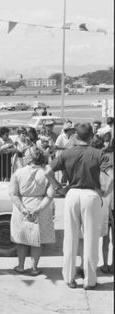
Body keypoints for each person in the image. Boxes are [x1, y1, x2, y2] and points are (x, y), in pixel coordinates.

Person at [45, 123, 113, 290]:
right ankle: (90, 280)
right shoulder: (99, 154)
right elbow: (112, 177)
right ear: (91, 136)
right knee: (91, 238)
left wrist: (57, 186)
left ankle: (69, 278)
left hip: (72, 194)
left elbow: (47, 171)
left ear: (76, 136)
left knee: (70, 238)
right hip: (91, 195)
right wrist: (105, 192)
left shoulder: (66, 153)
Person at [9, 147, 55, 276]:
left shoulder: (18, 172)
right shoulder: (47, 172)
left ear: (28, 158)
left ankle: (20, 266)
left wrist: (23, 209)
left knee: (22, 239)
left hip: (22, 207)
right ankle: (34, 268)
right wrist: (38, 209)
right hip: (41, 207)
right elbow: (50, 194)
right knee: (37, 240)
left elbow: (13, 194)